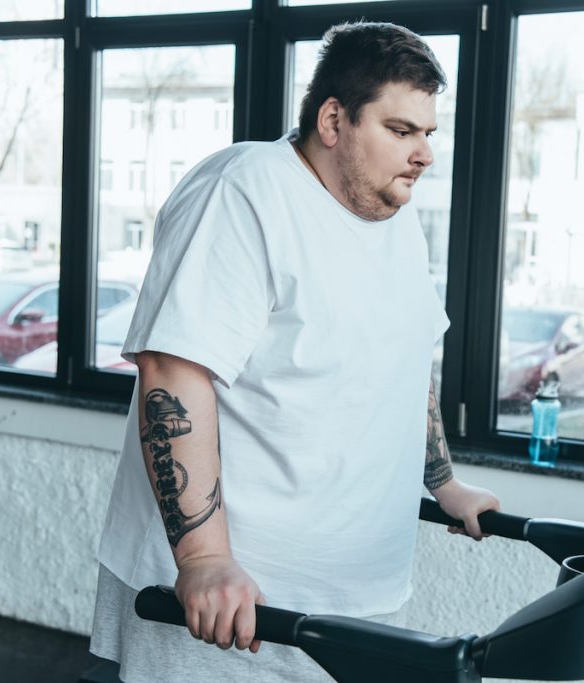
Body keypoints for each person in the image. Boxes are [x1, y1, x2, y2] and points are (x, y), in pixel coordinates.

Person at [89, 21, 500, 683]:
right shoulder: (244, 192)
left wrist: (443, 482)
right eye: (401, 130)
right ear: (333, 119)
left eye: (429, 132)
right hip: (237, 604)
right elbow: (173, 369)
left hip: (355, 596)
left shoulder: (396, 218)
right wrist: (201, 558)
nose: (424, 153)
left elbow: (406, 357)